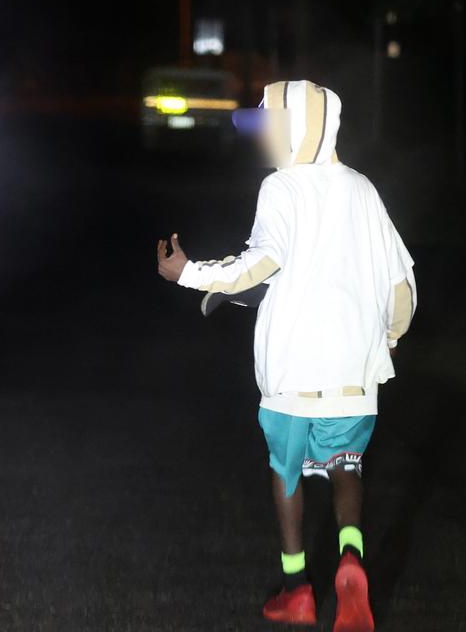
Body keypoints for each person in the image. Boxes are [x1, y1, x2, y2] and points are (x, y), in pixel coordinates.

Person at [156, 81, 416, 632]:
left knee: (286, 470)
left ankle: (297, 586)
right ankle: (351, 558)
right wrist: (389, 337)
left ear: (296, 128)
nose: (263, 138)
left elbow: (262, 264)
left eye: (269, 126)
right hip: (353, 366)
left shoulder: (280, 188)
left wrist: (191, 274)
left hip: (293, 365)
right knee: (347, 464)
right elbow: (401, 286)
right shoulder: (363, 190)